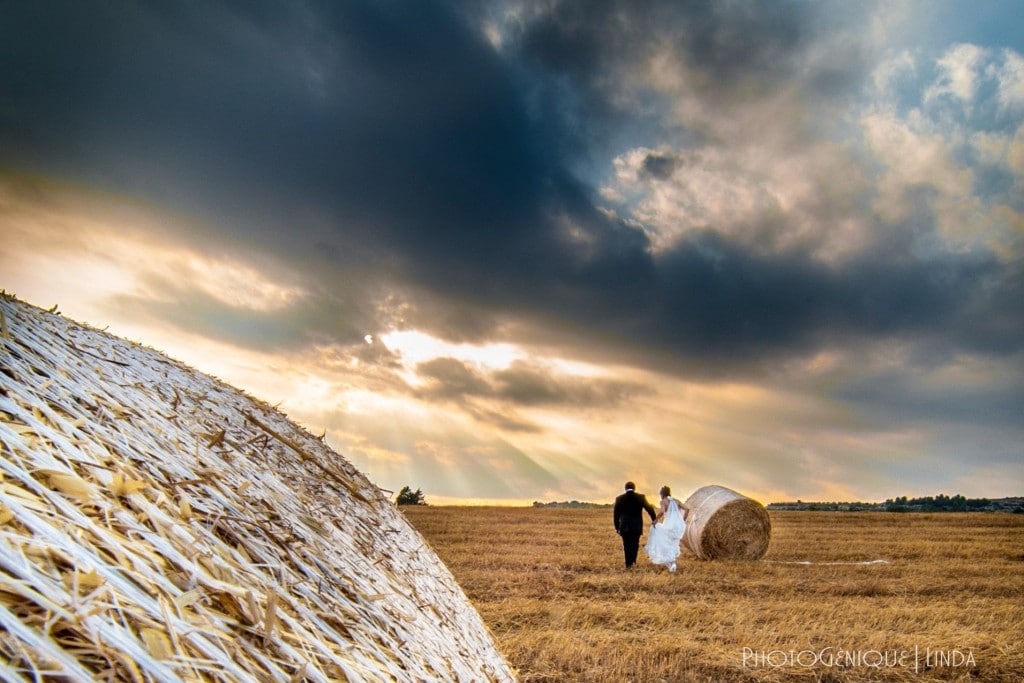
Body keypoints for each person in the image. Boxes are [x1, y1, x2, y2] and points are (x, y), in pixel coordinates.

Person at [644, 485, 690, 572]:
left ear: (662, 494)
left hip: (669, 524)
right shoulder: (676, 501)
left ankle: (671, 564)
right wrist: (682, 520)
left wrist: (655, 520)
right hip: (678, 526)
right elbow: (687, 509)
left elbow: (662, 512)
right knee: (673, 543)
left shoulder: (663, 501)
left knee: (666, 543)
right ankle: (672, 563)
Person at [613, 481, 656, 568]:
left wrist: (617, 527)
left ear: (625, 488)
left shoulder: (619, 498)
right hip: (636, 526)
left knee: (626, 545)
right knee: (635, 544)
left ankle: (628, 564)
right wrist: (654, 519)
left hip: (624, 526)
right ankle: (633, 562)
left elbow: (616, 514)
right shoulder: (641, 497)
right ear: (634, 488)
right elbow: (649, 509)